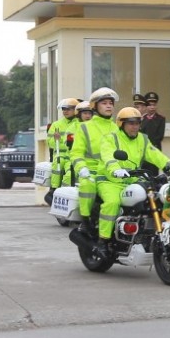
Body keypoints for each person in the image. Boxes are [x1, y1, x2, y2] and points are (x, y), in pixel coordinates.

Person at [92, 106, 170, 259]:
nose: (135, 126)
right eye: (131, 123)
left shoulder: (142, 139)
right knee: (112, 202)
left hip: (133, 179)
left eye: (137, 123)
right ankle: (102, 241)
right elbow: (108, 156)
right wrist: (115, 169)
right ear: (121, 124)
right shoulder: (111, 138)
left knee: (156, 196)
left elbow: (157, 155)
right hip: (110, 180)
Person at [69, 87, 120, 234]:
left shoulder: (117, 128)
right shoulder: (85, 127)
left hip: (112, 173)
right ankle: (86, 221)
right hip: (90, 172)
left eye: (111, 102)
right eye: (104, 103)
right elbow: (76, 153)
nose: (109, 105)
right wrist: (82, 169)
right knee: (88, 186)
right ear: (94, 106)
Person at [44, 98, 81, 204]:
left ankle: (65, 193)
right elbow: (50, 143)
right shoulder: (56, 125)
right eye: (64, 109)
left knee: (70, 172)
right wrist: (56, 140)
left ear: (76, 110)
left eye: (68, 109)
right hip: (60, 154)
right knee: (58, 163)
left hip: (72, 155)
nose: (65, 111)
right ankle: (54, 189)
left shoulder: (79, 123)